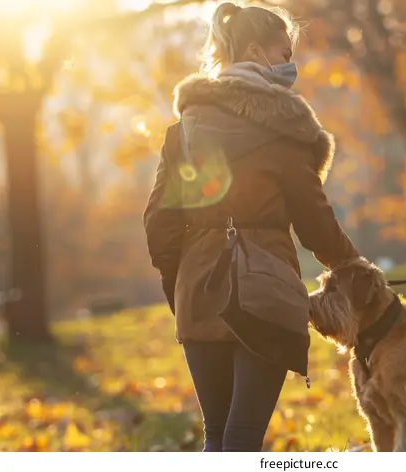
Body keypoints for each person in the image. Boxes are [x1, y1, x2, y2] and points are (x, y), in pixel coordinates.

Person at [143, 2, 358, 452]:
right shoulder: (285, 132)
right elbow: (315, 223)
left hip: (198, 290)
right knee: (242, 438)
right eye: (284, 54)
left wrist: (179, 283)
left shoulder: (181, 131)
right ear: (257, 52)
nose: (290, 66)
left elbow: (159, 223)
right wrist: (353, 268)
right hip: (268, 291)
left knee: (217, 435)